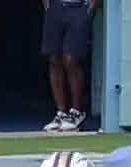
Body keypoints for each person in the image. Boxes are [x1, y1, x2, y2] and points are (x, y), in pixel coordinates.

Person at [41, 0, 99, 133]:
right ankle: (61, 113)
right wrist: (48, 7)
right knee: (54, 58)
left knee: (71, 58)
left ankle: (77, 112)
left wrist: (89, 9)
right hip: (56, 7)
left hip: (79, 7)